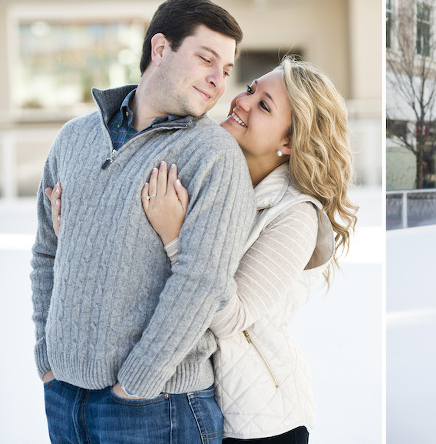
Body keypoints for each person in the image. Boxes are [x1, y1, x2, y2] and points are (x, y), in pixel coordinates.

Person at [32, 0, 257, 443]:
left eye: (226, 70)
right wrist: (46, 355)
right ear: (160, 50)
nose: (217, 81)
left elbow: (202, 280)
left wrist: (138, 381)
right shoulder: (75, 138)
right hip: (64, 401)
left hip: (158, 410)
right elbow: (46, 251)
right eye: (206, 59)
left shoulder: (212, 155)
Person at [137, 57, 357, 443]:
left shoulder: (295, 215)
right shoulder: (213, 175)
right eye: (252, 89)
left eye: (264, 106)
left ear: (288, 142)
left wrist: (176, 238)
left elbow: (230, 317)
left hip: (261, 420)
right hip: (192, 400)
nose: (243, 101)